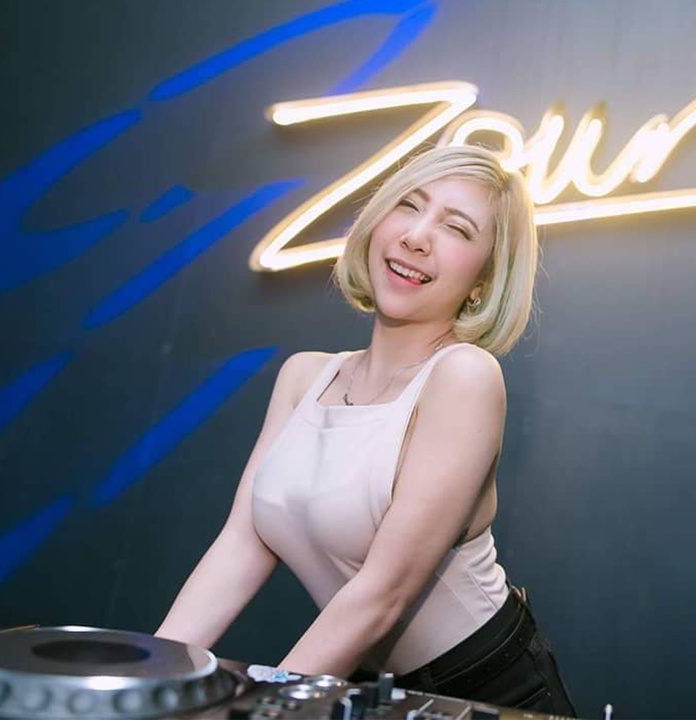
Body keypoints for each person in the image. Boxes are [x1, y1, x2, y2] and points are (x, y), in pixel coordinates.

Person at [155, 144, 577, 716]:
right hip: (367, 682)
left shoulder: (464, 376)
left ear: (482, 280)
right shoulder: (304, 375)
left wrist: (269, 708)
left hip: (486, 689)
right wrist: (150, 676)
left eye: (456, 228)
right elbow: (242, 543)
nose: (417, 237)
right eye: (409, 205)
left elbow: (384, 594)